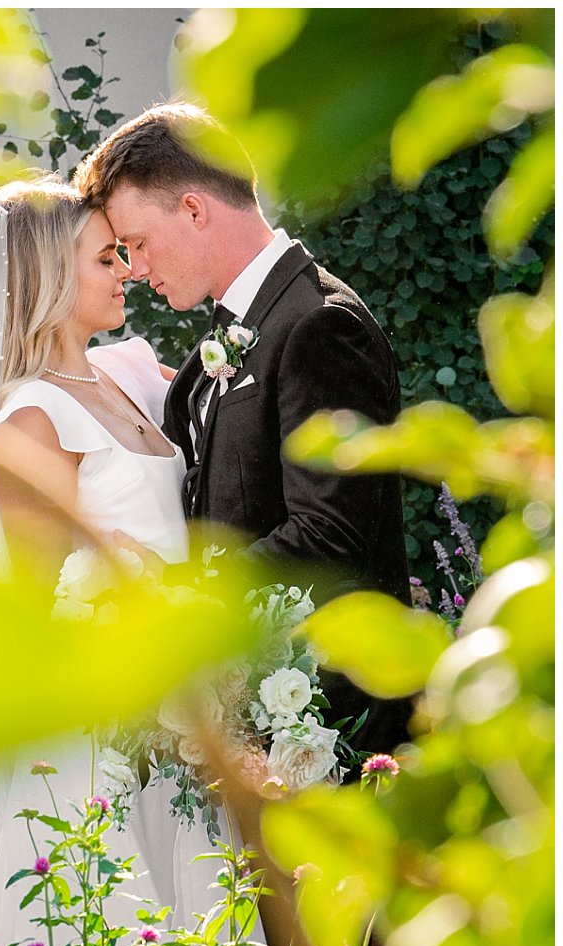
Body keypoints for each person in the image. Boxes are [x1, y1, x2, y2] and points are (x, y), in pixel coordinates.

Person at [0, 178, 235, 946]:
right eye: (105, 257)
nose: (125, 268)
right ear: (51, 278)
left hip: (176, 710)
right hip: (103, 742)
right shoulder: (31, 418)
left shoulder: (125, 373)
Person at [73, 103, 410, 756]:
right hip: (254, 722)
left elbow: (327, 534)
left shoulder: (319, 325)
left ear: (195, 211)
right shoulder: (233, 337)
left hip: (333, 726)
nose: (134, 268)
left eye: (137, 243)